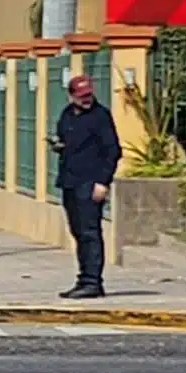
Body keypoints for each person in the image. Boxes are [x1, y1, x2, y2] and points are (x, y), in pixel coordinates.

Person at [52, 73, 121, 299]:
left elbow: (112, 151)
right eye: (81, 96)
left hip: (90, 182)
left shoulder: (100, 116)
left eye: (89, 95)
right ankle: (83, 278)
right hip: (70, 180)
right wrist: (60, 146)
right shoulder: (67, 114)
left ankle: (93, 281)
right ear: (71, 96)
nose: (86, 99)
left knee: (90, 232)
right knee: (78, 231)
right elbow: (67, 140)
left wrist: (103, 181)